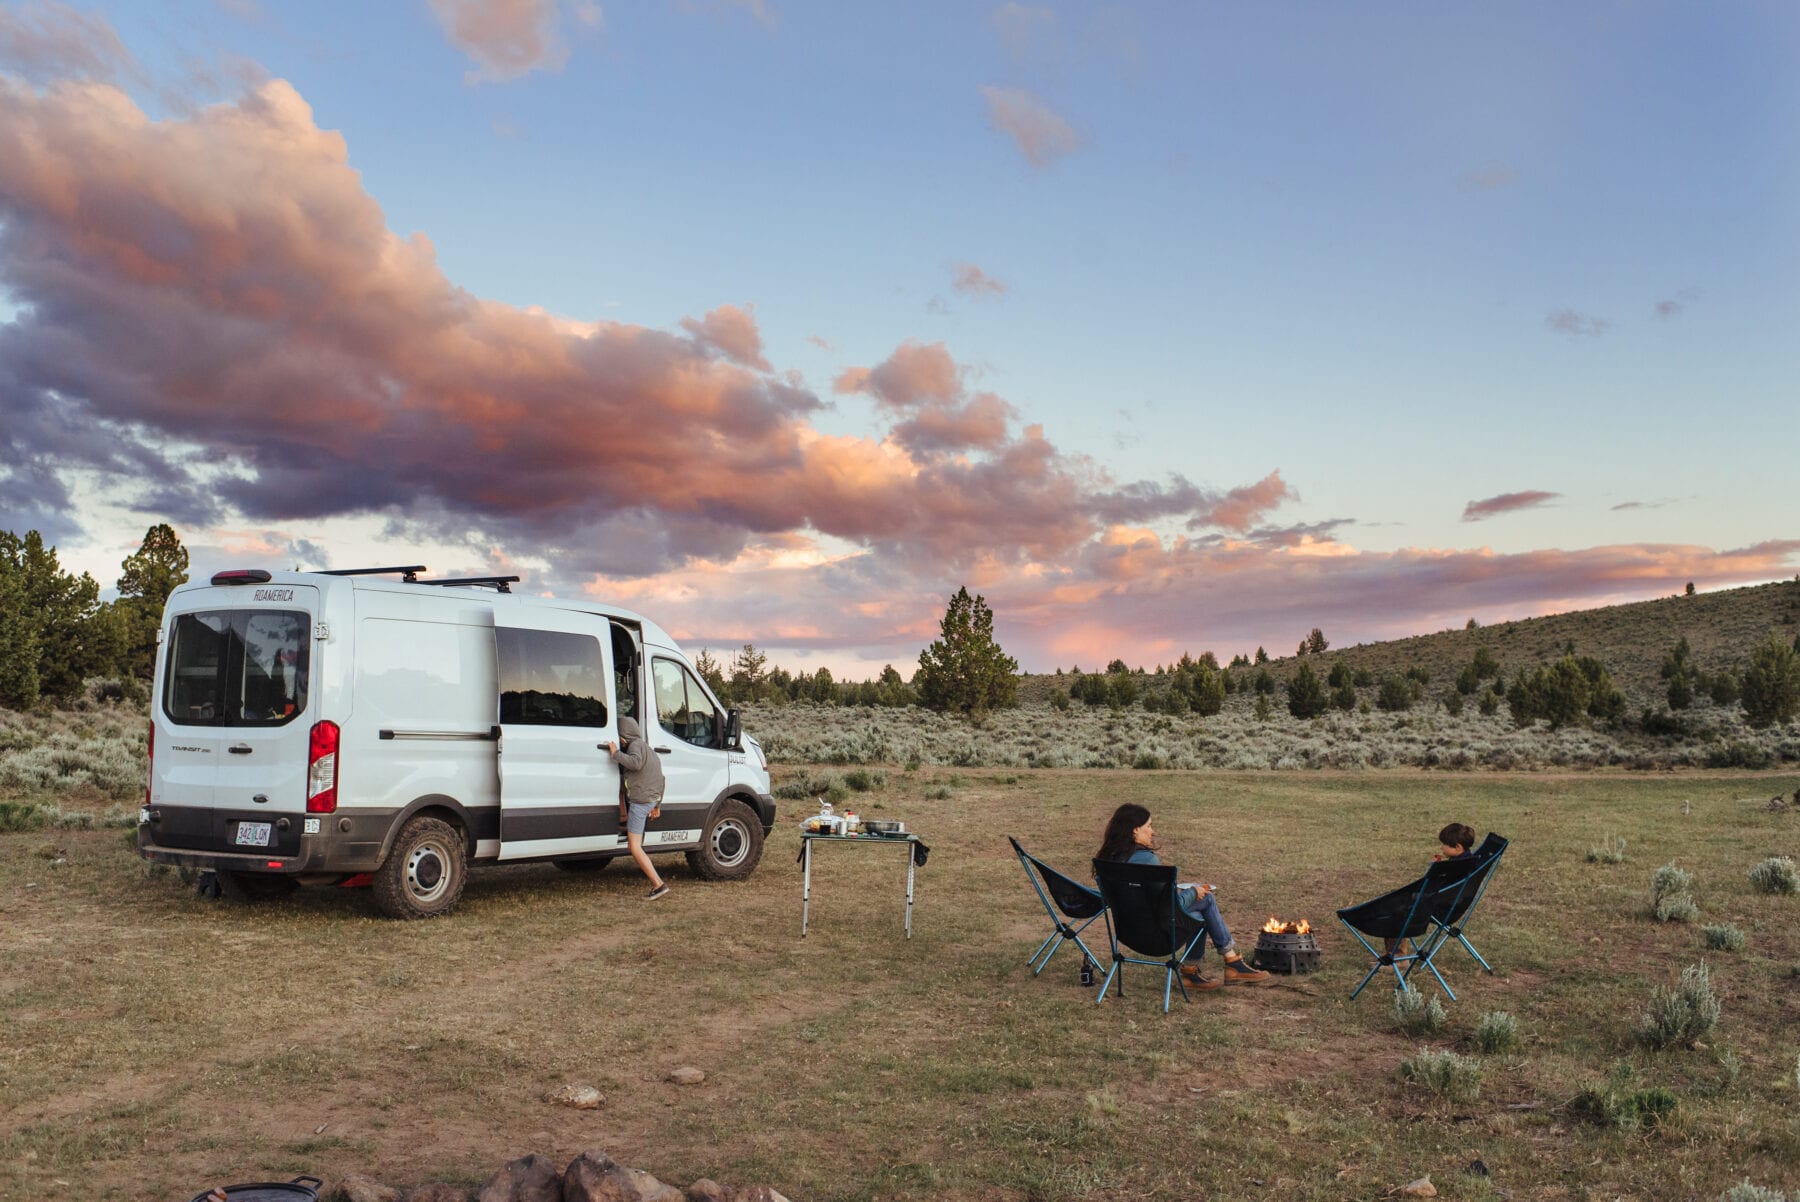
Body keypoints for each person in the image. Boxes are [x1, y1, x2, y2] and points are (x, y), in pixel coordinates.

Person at [1095, 803, 1271, 989]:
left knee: (1198, 912)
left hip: (1127, 934)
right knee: (1206, 900)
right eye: (1149, 826)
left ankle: (1195, 972)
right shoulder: (1147, 860)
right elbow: (1170, 906)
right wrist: (1194, 892)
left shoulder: (1107, 861)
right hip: (1157, 939)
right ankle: (1228, 964)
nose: (1153, 832)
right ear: (1135, 830)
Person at [1383, 822, 1477, 956]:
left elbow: (1435, 888)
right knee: (1398, 898)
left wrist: (1435, 871)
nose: (1441, 847)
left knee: (1394, 902)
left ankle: (1398, 956)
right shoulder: (1468, 861)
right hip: (1453, 906)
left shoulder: (1456, 867)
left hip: (1440, 908)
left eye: (1444, 844)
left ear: (1457, 847)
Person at [606, 715, 669, 900]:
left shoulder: (634, 746)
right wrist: (657, 805)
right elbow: (662, 779)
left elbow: (635, 763)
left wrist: (615, 753)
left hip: (640, 803)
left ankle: (658, 884)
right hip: (651, 800)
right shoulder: (648, 749)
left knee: (634, 847)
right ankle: (658, 884)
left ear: (624, 735)